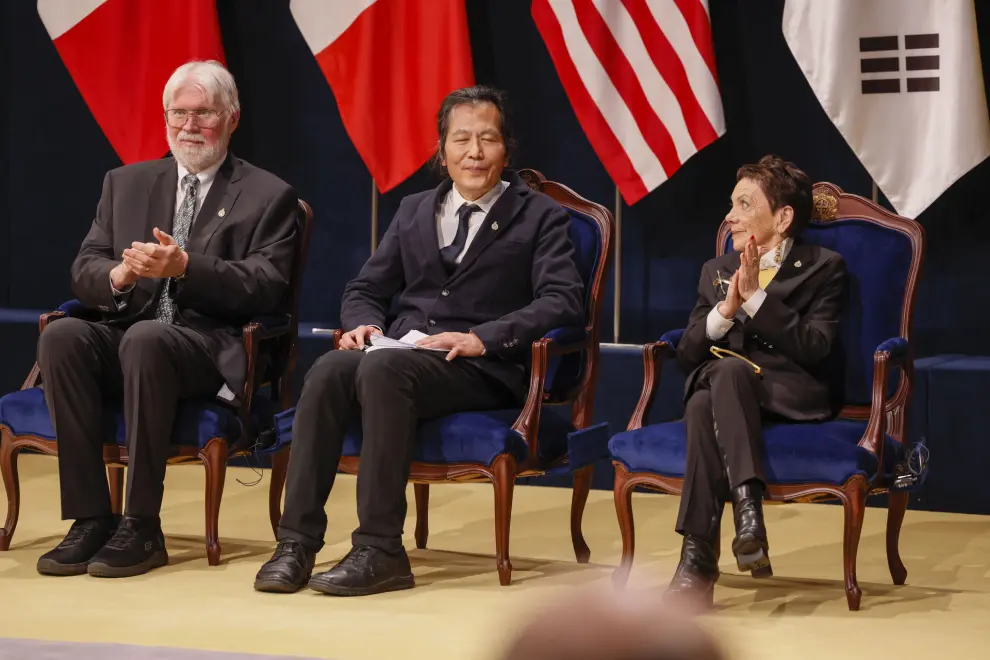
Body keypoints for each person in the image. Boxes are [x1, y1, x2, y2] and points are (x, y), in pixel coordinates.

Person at [254, 85, 585, 596]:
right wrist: (365, 325)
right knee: (330, 369)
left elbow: (562, 300)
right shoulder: (413, 210)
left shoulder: (540, 215)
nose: (474, 152)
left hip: (482, 368)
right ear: (441, 151)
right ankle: (296, 542)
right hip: (407, 354)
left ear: (507, 149)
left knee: (383, 370)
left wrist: (483, 337)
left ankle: (380, 548)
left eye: (487, 139)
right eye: (461, 140)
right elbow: (366, 287)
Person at [36, 60, 299, 578]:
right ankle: (90, 519)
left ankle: (141, 526)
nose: (188, 125)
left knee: (149, 339)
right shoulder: (125, 183)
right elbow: (85, 267)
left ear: (231, 118)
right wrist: (121, 276)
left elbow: (268, 285)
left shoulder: (268, 195)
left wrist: (187, 267)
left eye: (203, 113)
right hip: (129, 333)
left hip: (205, 347)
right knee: (65, 335)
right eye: (178, 113)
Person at [669, 155, 847, 606]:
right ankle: (743, 523)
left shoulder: (824, 267)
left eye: (744, 205)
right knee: (712, 387)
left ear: (783, 217)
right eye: (732, 204)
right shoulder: (716, 270)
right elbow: (686, 356)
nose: (730, 216)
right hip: (726, 389)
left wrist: (754, 302)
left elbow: (815, 347)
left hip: (787, 393)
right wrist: (725, 311)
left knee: (707, 394)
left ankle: (698, 562)